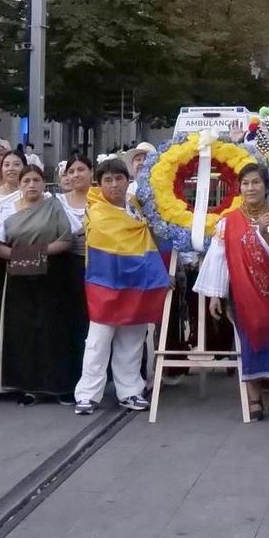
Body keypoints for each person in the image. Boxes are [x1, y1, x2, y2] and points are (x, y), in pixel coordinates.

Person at [75, 158, 186, 414]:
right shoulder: (96, 209)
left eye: (119, 178)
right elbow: (120, 245)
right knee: (97, 341)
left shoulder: (136, 206)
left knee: (133, 339)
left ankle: (131, 391)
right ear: (99, 183)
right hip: (106, 283)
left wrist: (159, 274)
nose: (114, 185)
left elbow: (147, 244)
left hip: (136, 285)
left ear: (128, 180)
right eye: (108, 180)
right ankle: (88, 395)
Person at [198, 162, 269, 421]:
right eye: (245, 183)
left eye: (256, 182)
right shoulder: (228, 222)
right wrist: (214, 296)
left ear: (266, 186)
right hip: (242, 295)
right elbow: (219, 259)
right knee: (248, 344)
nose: (250, 188)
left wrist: (265, 232)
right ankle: (254, 400)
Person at [0, 162, 85, 402]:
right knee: (24, 332)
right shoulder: (7, 210)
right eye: (26, 181)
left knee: (55, 331)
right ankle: (28, 387)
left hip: (54, 277)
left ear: (43, 183)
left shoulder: (55, 206)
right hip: (20, 280)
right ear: (19, 185)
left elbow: (67, 239)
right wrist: (20, 256)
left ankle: (61, 387)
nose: (31, 185)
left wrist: (37, 253)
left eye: (36, 180)